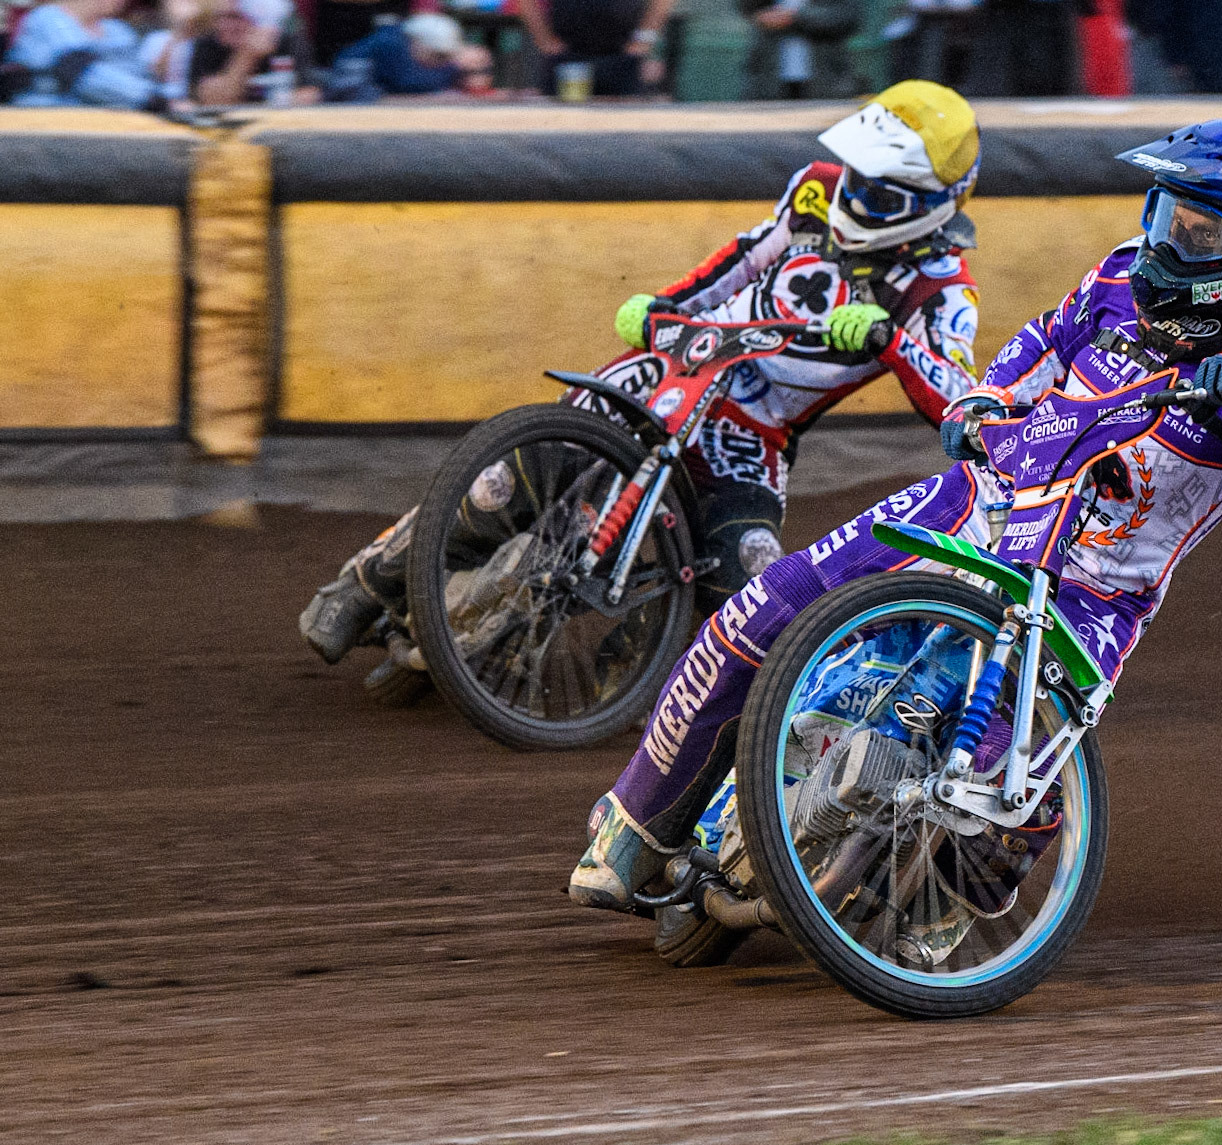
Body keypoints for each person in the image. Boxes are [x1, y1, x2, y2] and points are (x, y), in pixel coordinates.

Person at [565, 116, 1222, 953]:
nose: (1167, 239)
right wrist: (984, 400)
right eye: (1164, 212)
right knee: (760, 609)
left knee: (1022, 784)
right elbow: (1041, 342)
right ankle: (634, 826)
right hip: (975, 502)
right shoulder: (1119, 274)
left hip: (1090, 590)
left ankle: (941, 908)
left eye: (1198, 228)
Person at [299, 81, 985, 672]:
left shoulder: (942, 292)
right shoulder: (815, 190)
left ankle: (625, 683)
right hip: (679, 362)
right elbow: (739, 264)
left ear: (937, 202)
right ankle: (362, 586)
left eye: (880, 192)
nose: (857, 196)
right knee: (509, 480)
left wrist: (892, 339)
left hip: (753, 431)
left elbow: (957, 401)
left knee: (748, 575)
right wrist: (664, 305)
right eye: (857, 175)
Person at [5, 0, 167, 107]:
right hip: (47, 119)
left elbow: (143, 76)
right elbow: (80, 73)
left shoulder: (118, 30)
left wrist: (170, 98)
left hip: (113, 120)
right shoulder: (48, 18)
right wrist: (152, 99)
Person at [515, 0, 671, 97]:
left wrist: (643, 41)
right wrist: (545, 41)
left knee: (625, 133)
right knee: (560, 130)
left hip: (623, 58)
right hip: (567, 58)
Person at [188, 0, 323, 104]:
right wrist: (247, 56)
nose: (224, 26)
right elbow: (213, 101)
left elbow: (310, 94)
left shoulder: (287, 41)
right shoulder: (208, 43)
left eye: (235, 18)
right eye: (219, 18)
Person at [329, 11, 490, 96]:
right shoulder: (390, 44)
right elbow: (408, 84)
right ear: (416, 42)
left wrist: (470, 69)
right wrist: (457, 68)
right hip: (345, 92)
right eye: (439, 55)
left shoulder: (405, 40)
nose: (441, 61)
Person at [739, 0, 857, 100]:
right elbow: (747, 8)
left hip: (826, 82)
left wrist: (796, 18)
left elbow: (847, 16)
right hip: (767, 83)